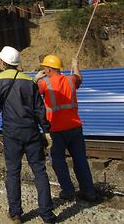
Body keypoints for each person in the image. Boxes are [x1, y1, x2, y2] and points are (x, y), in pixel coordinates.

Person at [0, 46, 56, 223]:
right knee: (40, 171)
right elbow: (39, 109)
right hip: (32, 132)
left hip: (11, 133)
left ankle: (16, 213)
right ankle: (47, 215)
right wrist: (46, 131)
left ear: (3, 62)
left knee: (13, 172)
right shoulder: (29, 81)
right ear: (17, 63)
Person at [35, 55, 96, 202]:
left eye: (44, 68)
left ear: (48, 69)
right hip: (75, 126)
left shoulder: (44, 83)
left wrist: (36, 79)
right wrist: (75, 65)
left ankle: (68, 191)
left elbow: (31, 93)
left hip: (55, 129)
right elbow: (79, 78)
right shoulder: (70, 80)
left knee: (58, 161)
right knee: (80, 159)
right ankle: (89, 191)